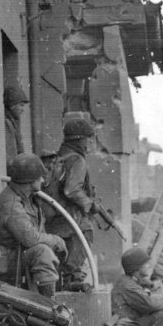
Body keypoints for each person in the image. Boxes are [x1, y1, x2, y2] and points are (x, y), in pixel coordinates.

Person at [0, 154, 67, 298]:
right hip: (6, 261)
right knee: (42, 252)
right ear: (29, 180)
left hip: (18, 255)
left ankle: (47, 303)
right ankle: (49, 305)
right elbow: (31, 239)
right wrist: (56, 241)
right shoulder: (11, 203)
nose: (42, 180)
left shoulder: (29, 199)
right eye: (39, 177)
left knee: (45, 251)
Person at [43, 117, 100, 291]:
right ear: (80, 139)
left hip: (52, 218)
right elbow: (71, 190)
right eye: (89, 138)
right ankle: (71, 277)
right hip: (67, 218)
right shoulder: (77, 160)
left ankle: (65, 279)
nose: (90, 143)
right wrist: (89, 204)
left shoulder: (60, 156)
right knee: (86, 230)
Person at [3, 86, 29, 169]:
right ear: (11, 106)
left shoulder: (11, 122)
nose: (22, 109)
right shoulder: (7, 124)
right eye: (21, 105)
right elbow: (11, 157)